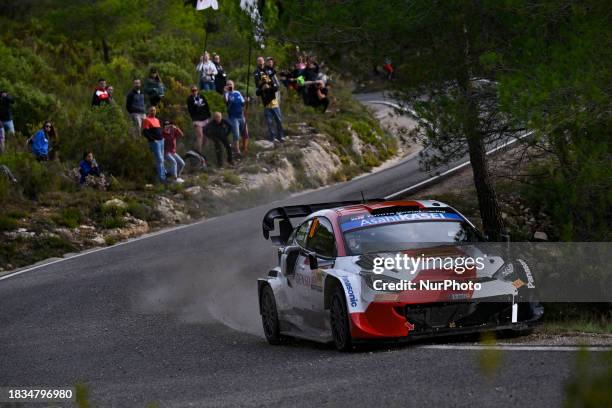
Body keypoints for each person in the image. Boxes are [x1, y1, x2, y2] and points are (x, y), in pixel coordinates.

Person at [256, 74, 284, 143]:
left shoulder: (272, 83)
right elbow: (257, 93)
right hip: (267, 107)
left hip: (275, 106)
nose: (264, 80)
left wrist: (269, 87)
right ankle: (273, 138)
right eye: (263, 79)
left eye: (265, 78)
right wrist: (262, 89)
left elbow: (276, 88)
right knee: (269, 123)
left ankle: (281, 136)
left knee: (279, 121)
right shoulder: (260, 86)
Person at [142, 106, 166, 183]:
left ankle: (163, 177)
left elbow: (159, 130)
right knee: (159, 159)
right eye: (151, 110)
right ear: (149, 111)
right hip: (155, 143)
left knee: (162, 159)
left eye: (154, 110)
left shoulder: (157, 120)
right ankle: (161, 179)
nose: (153, 111)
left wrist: (163, 138)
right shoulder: (146, 120)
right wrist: (153, 140)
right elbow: (145, 132)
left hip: (161, 141)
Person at [224, 80, 247, 157]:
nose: (230, 85)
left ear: (233, 85)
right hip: (233, 117)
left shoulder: (237, 92)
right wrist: (226, 92)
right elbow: (226, 102)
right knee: (236, 135)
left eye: (231, 84)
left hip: (241, 115)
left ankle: (245, 148)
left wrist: (246, 101)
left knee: (245, 133)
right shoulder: (227, 94)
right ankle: (237, 151)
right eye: (228, 84)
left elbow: (242, 102)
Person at [187, 86, 211, 158]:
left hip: (204, 117)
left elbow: (206, 105)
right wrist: (196, 106)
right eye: (193, 90)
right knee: (200, 135)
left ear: (197, 90)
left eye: (195, 90)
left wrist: (208, 115)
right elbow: (190, 110)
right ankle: (199, 152)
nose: (194, 92)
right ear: (191, 91)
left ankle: (206, 151)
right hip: (197, 119)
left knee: (206, 135)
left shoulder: (202, 96)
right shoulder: (190, 99)